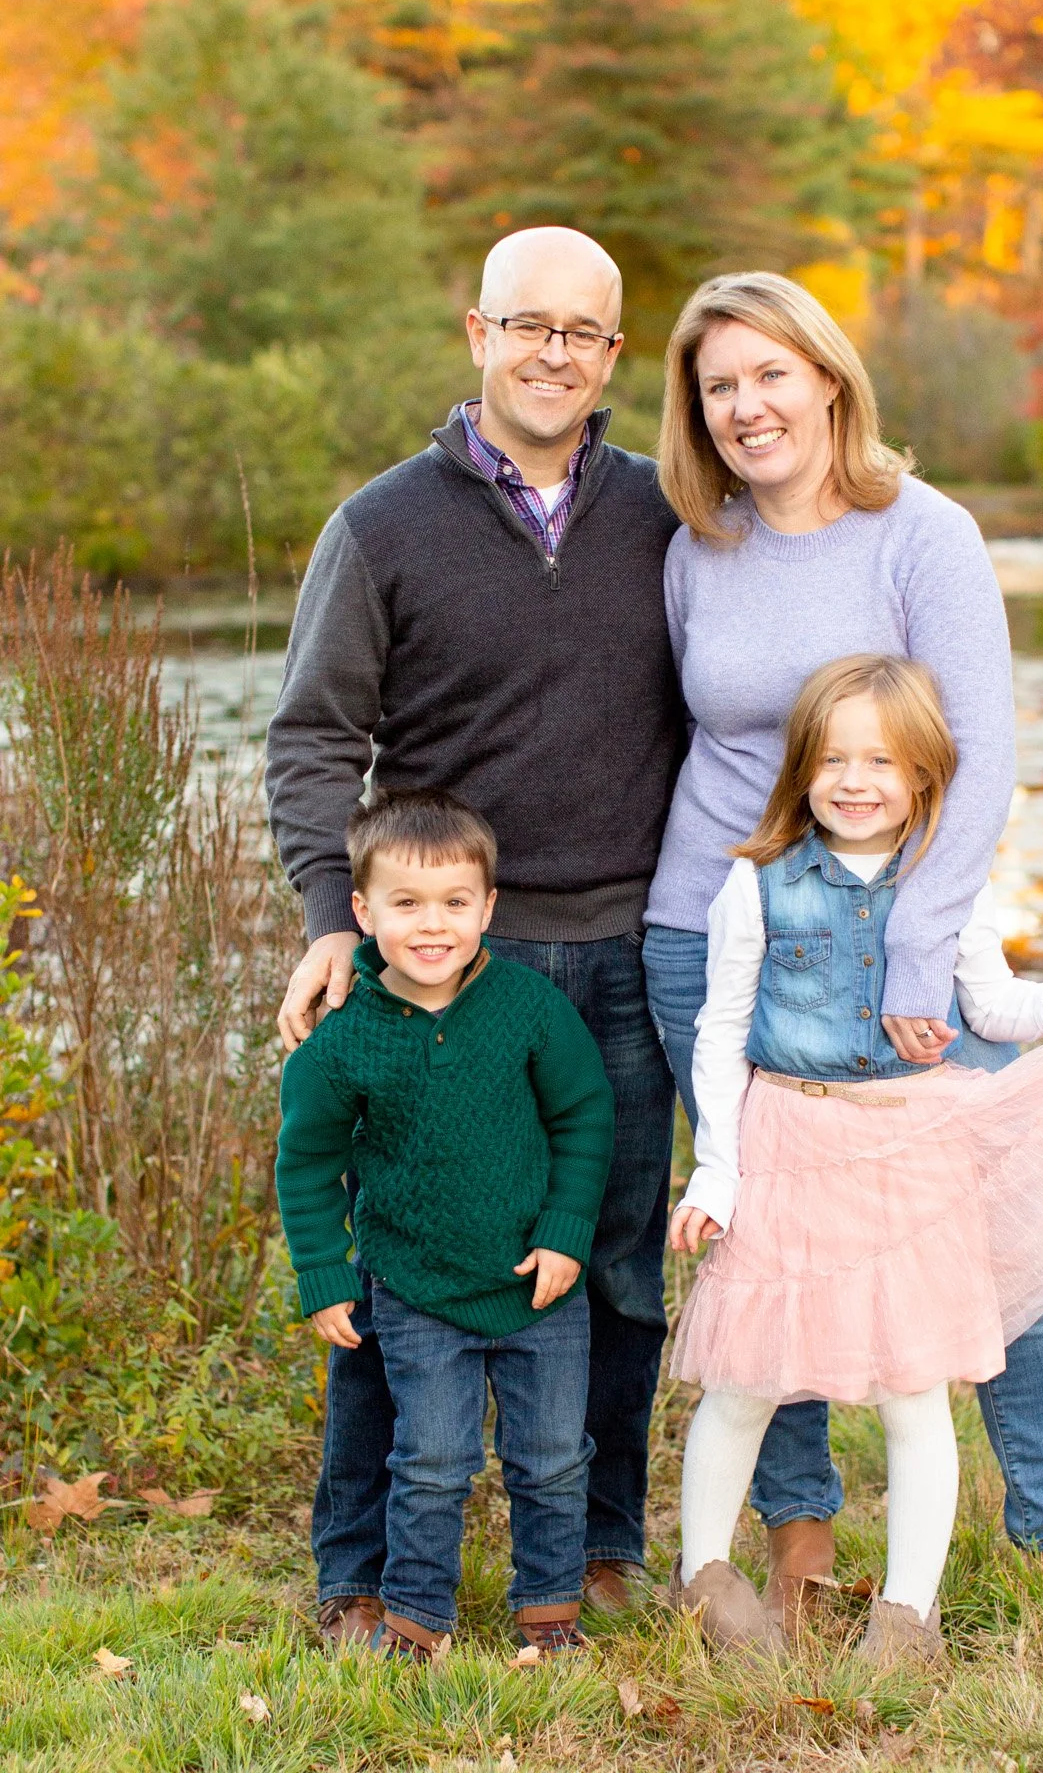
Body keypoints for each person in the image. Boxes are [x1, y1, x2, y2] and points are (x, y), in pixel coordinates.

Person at [643, 270, 1043, 1628]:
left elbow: (975, 758)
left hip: (903, 946)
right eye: (718, 386)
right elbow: (708, 747)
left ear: (827, 379)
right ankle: (797, 1538)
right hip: (717, 927)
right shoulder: (700, 549)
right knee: (774, 1250)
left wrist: (922, 952)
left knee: (976, 1239)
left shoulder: (922, 534)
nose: (748, 407)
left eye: (769, 374)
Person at [265, 227, 684, 1642]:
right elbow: (316, 739)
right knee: (402, 1277)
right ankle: (360, 1576)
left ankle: (598, 1548)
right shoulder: (381, 525)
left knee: (613, 1264)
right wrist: (336, 916)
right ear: (477, 333)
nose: (555, 353)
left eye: (584, 332)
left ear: (614, 356)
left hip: (626, 953)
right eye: (529, 325)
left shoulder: (664, 511)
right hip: (439, 962)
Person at [666, 656, 1043, 1659]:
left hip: (910, 1147)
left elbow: (992, 1007)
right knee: (749, 1376)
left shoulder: (948, 882)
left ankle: (909, 1613)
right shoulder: (756, 880)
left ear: (925, 775)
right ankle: (705, 1577)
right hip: (788, 1141)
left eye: (882, 760)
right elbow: (720, 1035)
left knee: (915, 1388)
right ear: (802, 769)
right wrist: (716, 1169)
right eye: (833, 758)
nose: (855, 779)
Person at [276, 790, 616, 1659]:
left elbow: (583, 1117)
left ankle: (550, 1614)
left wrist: (567, 1231)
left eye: (455, 903)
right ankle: (414, 1621)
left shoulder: (529, 1008)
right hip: (414, 1289)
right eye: (406, 904)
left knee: (549, 1459)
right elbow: (307, 1165)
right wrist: (322, 1276)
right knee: (429, 1462)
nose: (433, 926)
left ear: (488, 907)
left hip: (538, 1284)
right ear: (361, 912)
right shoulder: (344, 1041)